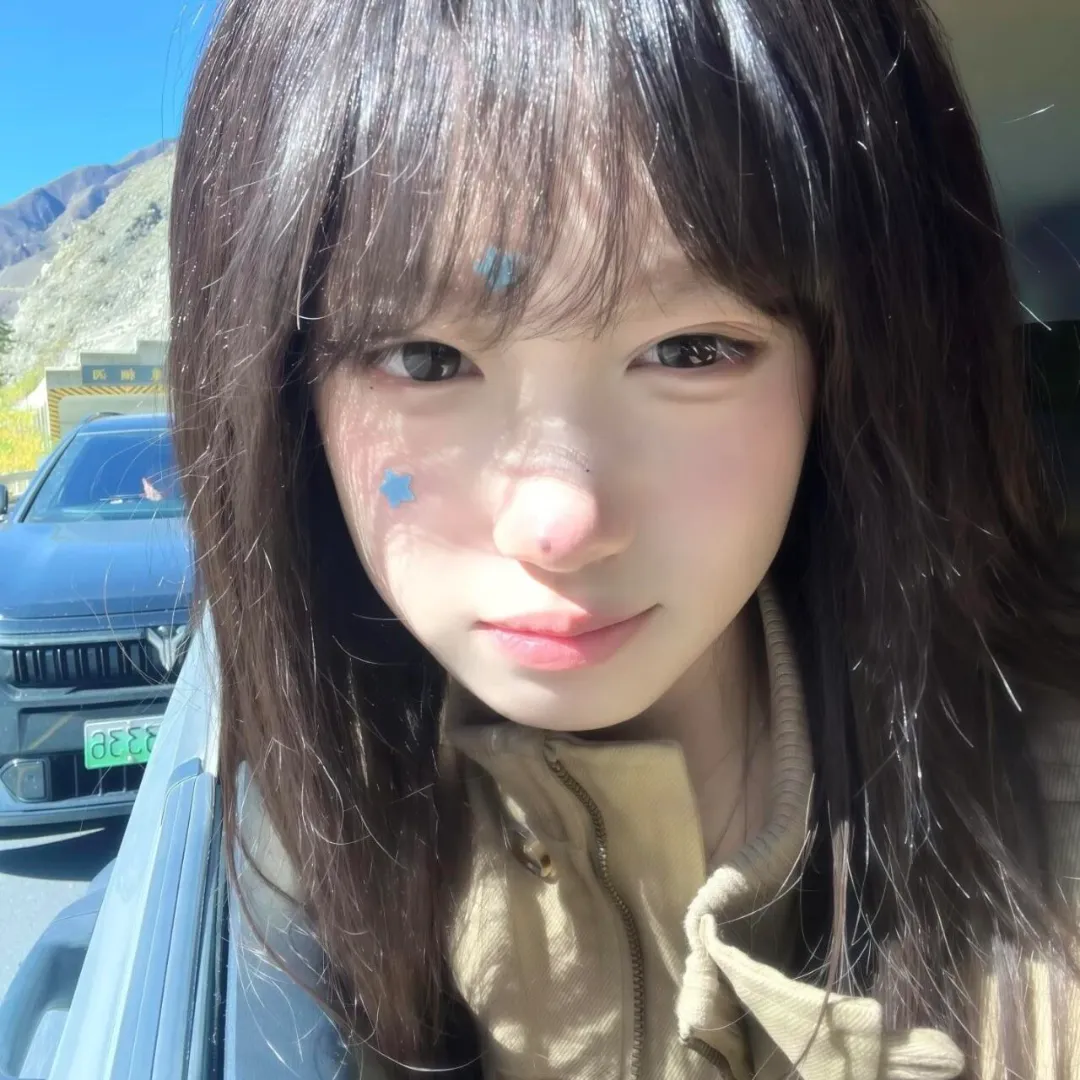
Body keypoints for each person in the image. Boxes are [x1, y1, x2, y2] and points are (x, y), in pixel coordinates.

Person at [168, 0, 1080, 1076]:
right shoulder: (284, 835)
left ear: (851, 364)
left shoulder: (1045, 829)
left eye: (692, 350)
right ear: (283, 394)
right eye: (425, 361)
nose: (560, 525)